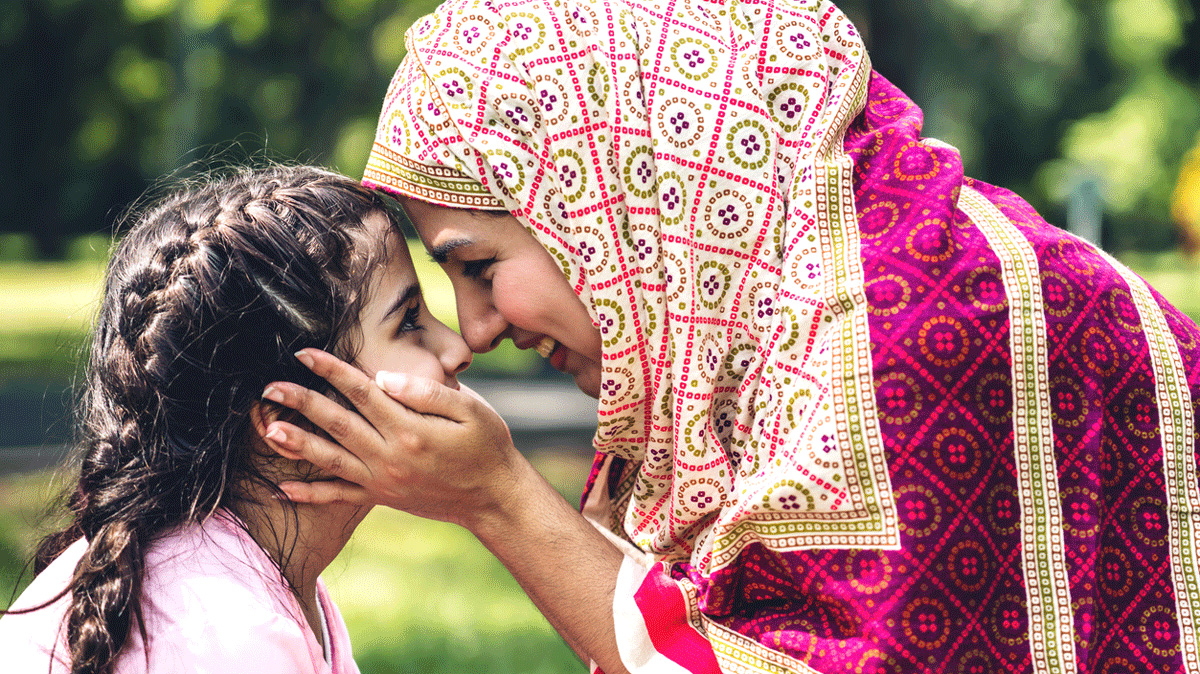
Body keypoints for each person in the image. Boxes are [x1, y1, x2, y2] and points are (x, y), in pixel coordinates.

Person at [261, 0, 1200, 672]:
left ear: (605, 198)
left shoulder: (908, 328)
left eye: (477, 267)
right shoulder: (779, 317)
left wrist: (502, 500)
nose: (477, 331)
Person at [0, 165, 474, 674]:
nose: (457, 348)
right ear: (284, 418)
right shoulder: (226, 633)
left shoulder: (245, 580)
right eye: (407, 323)